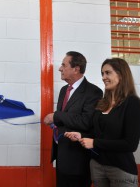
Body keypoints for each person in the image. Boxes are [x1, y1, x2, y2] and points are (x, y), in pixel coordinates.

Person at [65, 58, 140, 187]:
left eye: (108, 73)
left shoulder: (132, 103)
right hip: (97, 165)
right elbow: (98, 133)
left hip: (120, 168)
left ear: (122, 75)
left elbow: (130, 144)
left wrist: (94, 143)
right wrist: (82, 136)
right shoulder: (102, 103)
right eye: (102, 73)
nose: (103, 77)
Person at [43, 51, 103, 187]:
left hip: (78, 160)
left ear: (76, 69)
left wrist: (55, 116)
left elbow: (85, 121)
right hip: (61, 155)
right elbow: (65, 119)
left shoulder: (94, 92)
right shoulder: (64, 90)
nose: (60, 68)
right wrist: (54, 121)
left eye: (64, 65)